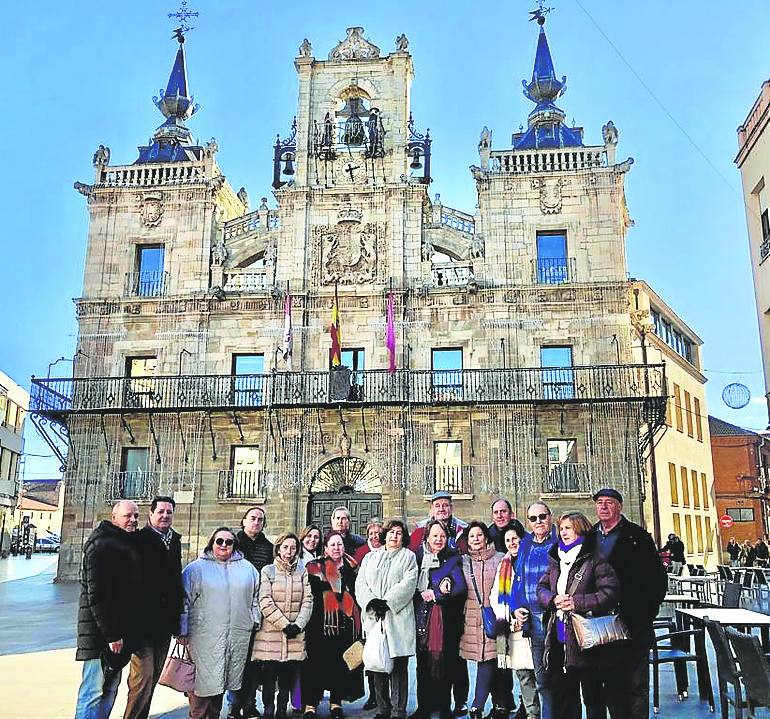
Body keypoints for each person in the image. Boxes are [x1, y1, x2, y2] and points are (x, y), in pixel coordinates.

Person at [588, 488, 667, 718]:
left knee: (635, 684)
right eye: (599, 502)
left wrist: (645, 613)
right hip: (602, 626)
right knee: (611, 686)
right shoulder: (591, 537)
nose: (603, 507)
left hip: (634, 624)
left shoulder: (637, 536)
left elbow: (657, 579)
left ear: (619, 507)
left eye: (609, 502)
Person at [536, 512, 620, 719]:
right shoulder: (556, 558)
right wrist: (553, 599)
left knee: (593, 698)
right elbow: (541, 588)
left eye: (568, 528)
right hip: (559, 638)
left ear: (580, 529)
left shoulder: (595, 558)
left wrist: (577, 602)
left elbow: (609, 593)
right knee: (563, 698)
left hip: (586, 640)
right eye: (561, 528)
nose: (563, 532)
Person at [179, 527, 261, 719]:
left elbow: (256, 597)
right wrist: (182, 630)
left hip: (236, 635)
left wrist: (254, 619)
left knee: (221, 682)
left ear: (234, 545)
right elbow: (184, 601)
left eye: (229, 542)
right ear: (212, 543)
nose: (224, 545)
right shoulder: (195, 569)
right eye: (219, 541)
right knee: (200, 684)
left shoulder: (247, 569)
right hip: (203, 636)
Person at [75, 500, 142, 719]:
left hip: (119, 635)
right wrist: (112, 634)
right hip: (100, 636)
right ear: (114, 517)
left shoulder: (125, 543)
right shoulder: (102, 544)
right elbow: (97, 595)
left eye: (136, 516)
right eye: (127, 516)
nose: (133, 520)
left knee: (111, 688)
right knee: (92, 691)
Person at [409, 491, 469, 715]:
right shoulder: (417, 556)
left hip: (447, 618)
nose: (438, 539)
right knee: (423, 664)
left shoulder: (453, 556)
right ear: (426, 538)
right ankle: (425, 706)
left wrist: (438, 594)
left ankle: (445, 705)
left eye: (441, 536)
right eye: (434, 536)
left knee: (446, 664)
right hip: (422, 617)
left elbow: (460, 586)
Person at [124, 496, 183, 719]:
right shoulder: (138, 540)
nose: (165, 516)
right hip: (142, 626)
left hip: (165, 625)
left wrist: (178, 622)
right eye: (161, 511)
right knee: (142, 679)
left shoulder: (174, 541)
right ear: (151, 514)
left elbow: (176, 582)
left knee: (153, 677)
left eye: (169, 512)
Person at [357, 520, 419, 719]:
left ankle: (398, 709)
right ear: (385, 534)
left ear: (404, 536)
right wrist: (372, 602)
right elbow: (361, 583)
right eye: (391, 532)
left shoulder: (408, 557)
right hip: (375, 618)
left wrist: (388, 602)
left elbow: (409, 583)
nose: (394, 536)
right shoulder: (370, 557)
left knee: (398, 666)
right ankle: (382, 708)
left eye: (399, 533)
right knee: (378, 663)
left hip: (397, 617)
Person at [250, 533, 313, 719]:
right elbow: (265, 600)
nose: (289, 552)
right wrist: (284, 624)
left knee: (288, 676)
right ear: (278, 548)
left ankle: (281, 711)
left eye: (293, 548)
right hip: (271, 633)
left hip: (295, 632)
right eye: (285, 547)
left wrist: (298, 624)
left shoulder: (302, 571)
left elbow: (308, 599)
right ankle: (268, 710)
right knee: (270, 676)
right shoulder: (268, 571)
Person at [302, 531, 364, 719]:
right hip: (319, 624)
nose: (337, 548)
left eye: (340, 544)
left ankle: (336, 702)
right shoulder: (314, 567)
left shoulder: (352, 567)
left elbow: (358, 592)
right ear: (326, 548)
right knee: (315, 665)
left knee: (340, 664)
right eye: (333, 545)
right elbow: (310, 593)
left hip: (345, 625)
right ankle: (310, 704)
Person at [512, 502, 557, 719]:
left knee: (562, 678)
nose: (538, 521)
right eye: (533, 518)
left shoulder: (559, 541)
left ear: (550, 516)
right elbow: (517, 582)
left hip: (556, 619)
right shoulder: (526, 544)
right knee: (542, 679)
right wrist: (516, 608)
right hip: (534, 622)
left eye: (542, 516)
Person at [490, 525, 537, 719]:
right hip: (514, 627)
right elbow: (495, 596)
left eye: (515, 538)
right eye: (508, 540)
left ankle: (541, 711)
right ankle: (531, 712)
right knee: (523, 674)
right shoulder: (504, 564)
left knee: (540, 675)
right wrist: (511, 613)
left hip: (533, 624)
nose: (512, 543)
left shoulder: (532, 557)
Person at [459, 522, 504, 719]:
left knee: (498, 660)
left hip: (497, 618)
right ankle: (490, 704)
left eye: (479, 535)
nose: (476, 539)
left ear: (486, 538)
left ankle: (483, 705)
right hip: (472, 619)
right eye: (472, 536)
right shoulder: (463, 562)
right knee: (485, 660)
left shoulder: (501, 559)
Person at [235, 506, 273, 719]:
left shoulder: (267, 547)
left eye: (260, 519)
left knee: (252, 663)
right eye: (253, 518)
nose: (256, 522)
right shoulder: (230, 542)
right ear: (244, 521)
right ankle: (233, 706)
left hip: (256, 610)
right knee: (234, 660)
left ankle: (248, 704)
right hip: (234, 607)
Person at [353, 518, 386, 710]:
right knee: (371, 656)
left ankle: (388, 696)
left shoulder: (389, 552)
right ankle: (374, 695)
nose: (375, 536)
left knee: (386, 654)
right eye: (371, 533)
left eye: (378, 533)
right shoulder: (361, 553)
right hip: (366, 610)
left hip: (386, 612)